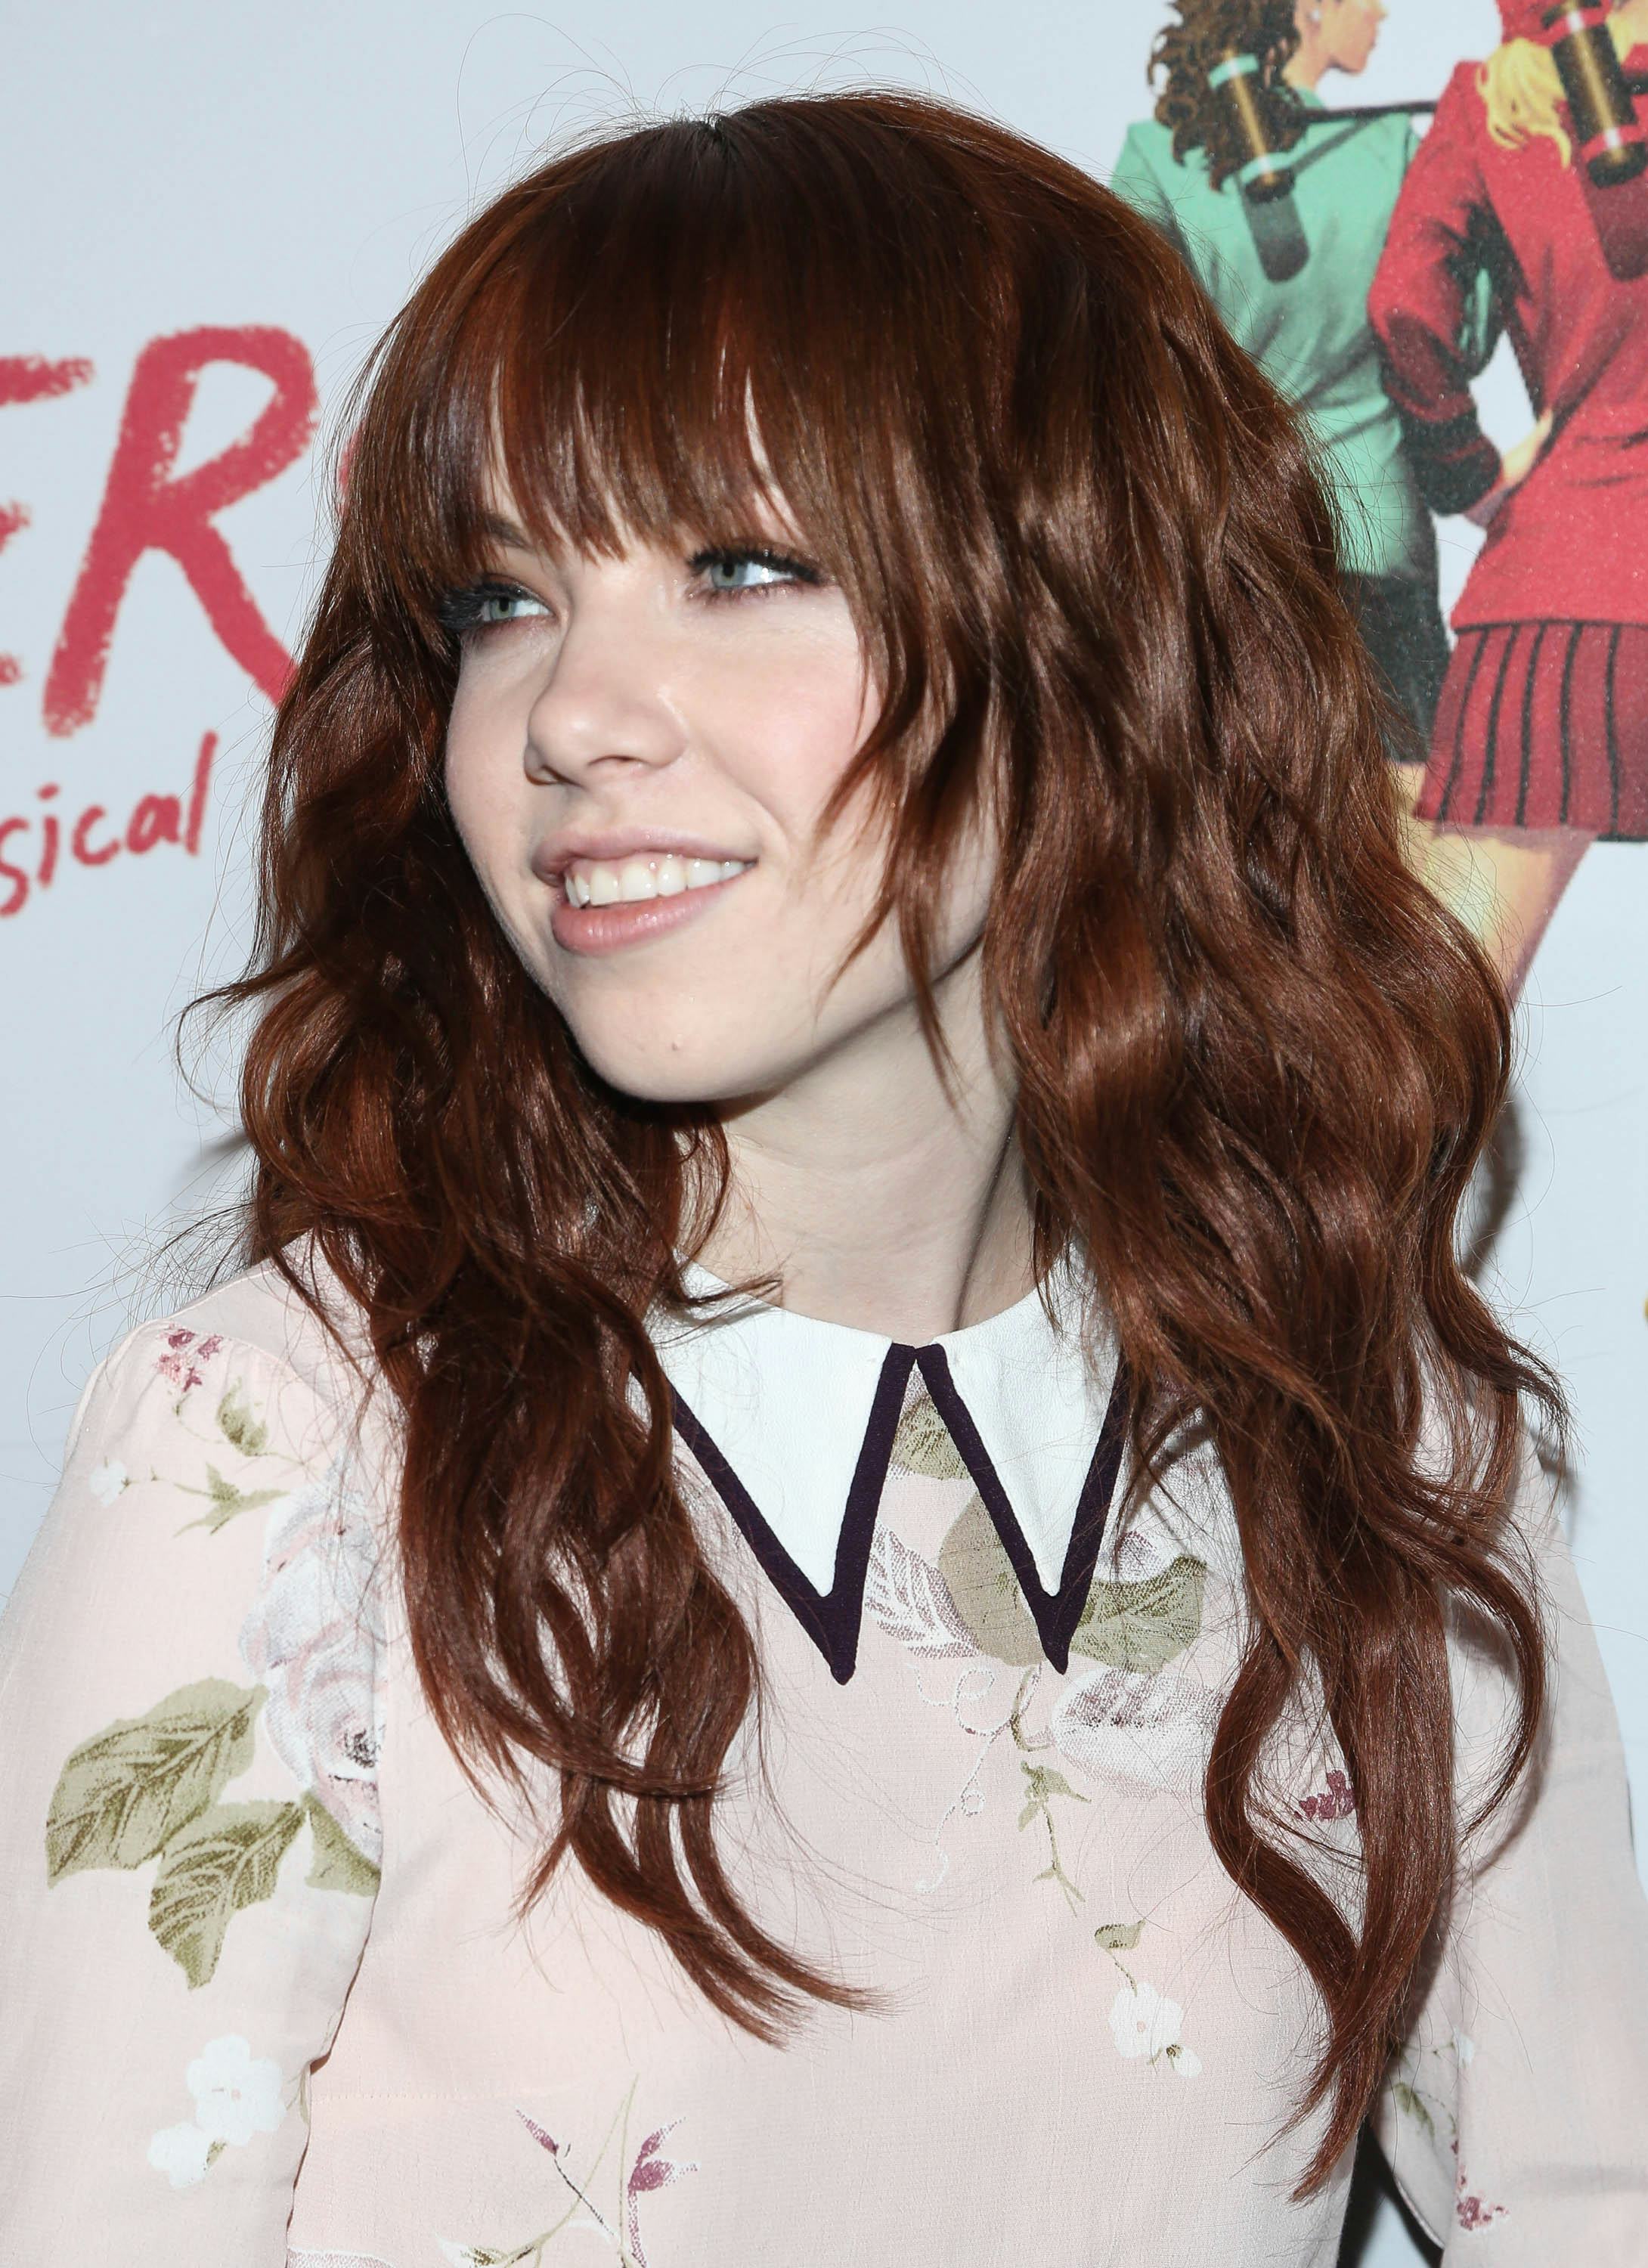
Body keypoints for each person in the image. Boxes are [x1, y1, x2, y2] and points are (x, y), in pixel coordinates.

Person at [0, 90, 1643, 2265]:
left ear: (1086, 632)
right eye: (501, 598)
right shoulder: (282, 1458)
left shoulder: (1356, 1444)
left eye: (742, 566)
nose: (573, 713)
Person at [1369, 0, 1648, 996]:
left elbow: (1402, 303)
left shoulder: (1493, 101)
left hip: (1559, 605)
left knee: (1448, 1009)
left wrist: (1468, 475)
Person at [1112, 1, 1470, 752]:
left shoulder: (1156, 158)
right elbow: (1456, 332)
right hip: (1380, 542)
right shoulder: (1387, 152)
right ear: (1309, 9)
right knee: (1407, 814)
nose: (1381, 11)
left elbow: (1120, 360)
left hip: (1242, 550)